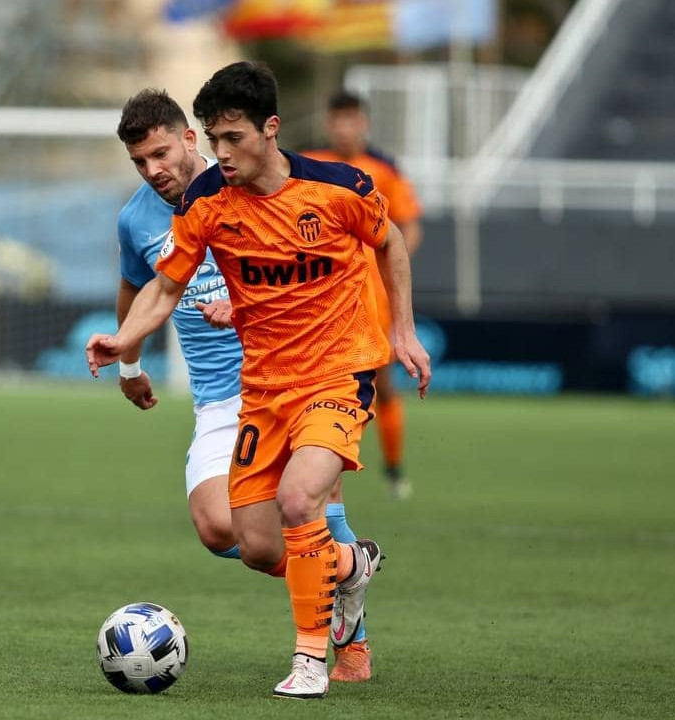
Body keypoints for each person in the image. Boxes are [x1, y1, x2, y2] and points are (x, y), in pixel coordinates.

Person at [87, 62, 431, 698]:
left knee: (306, 503)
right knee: (234, 534)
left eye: (161, 153)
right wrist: (128, 354)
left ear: (190, 138)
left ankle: (335, 650)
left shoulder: (314, 188)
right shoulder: (162, 216)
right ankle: (350, 568)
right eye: (139, 162)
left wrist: (400, 330)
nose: (153, 169)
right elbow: (151, 288)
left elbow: (383, 243)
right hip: (234, 396)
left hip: (318, 374)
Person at [304, 90, 425, 500]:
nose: (344, 127)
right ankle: (317, 466)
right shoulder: (309, 163)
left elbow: (407, 226)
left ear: (364, 123)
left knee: (381, 381)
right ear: (328, 124)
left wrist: (393, 266)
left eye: (351, 119)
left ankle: (393, 469)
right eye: (337, 119)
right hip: (319, 293)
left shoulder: (384, 169)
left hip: (373, 295)